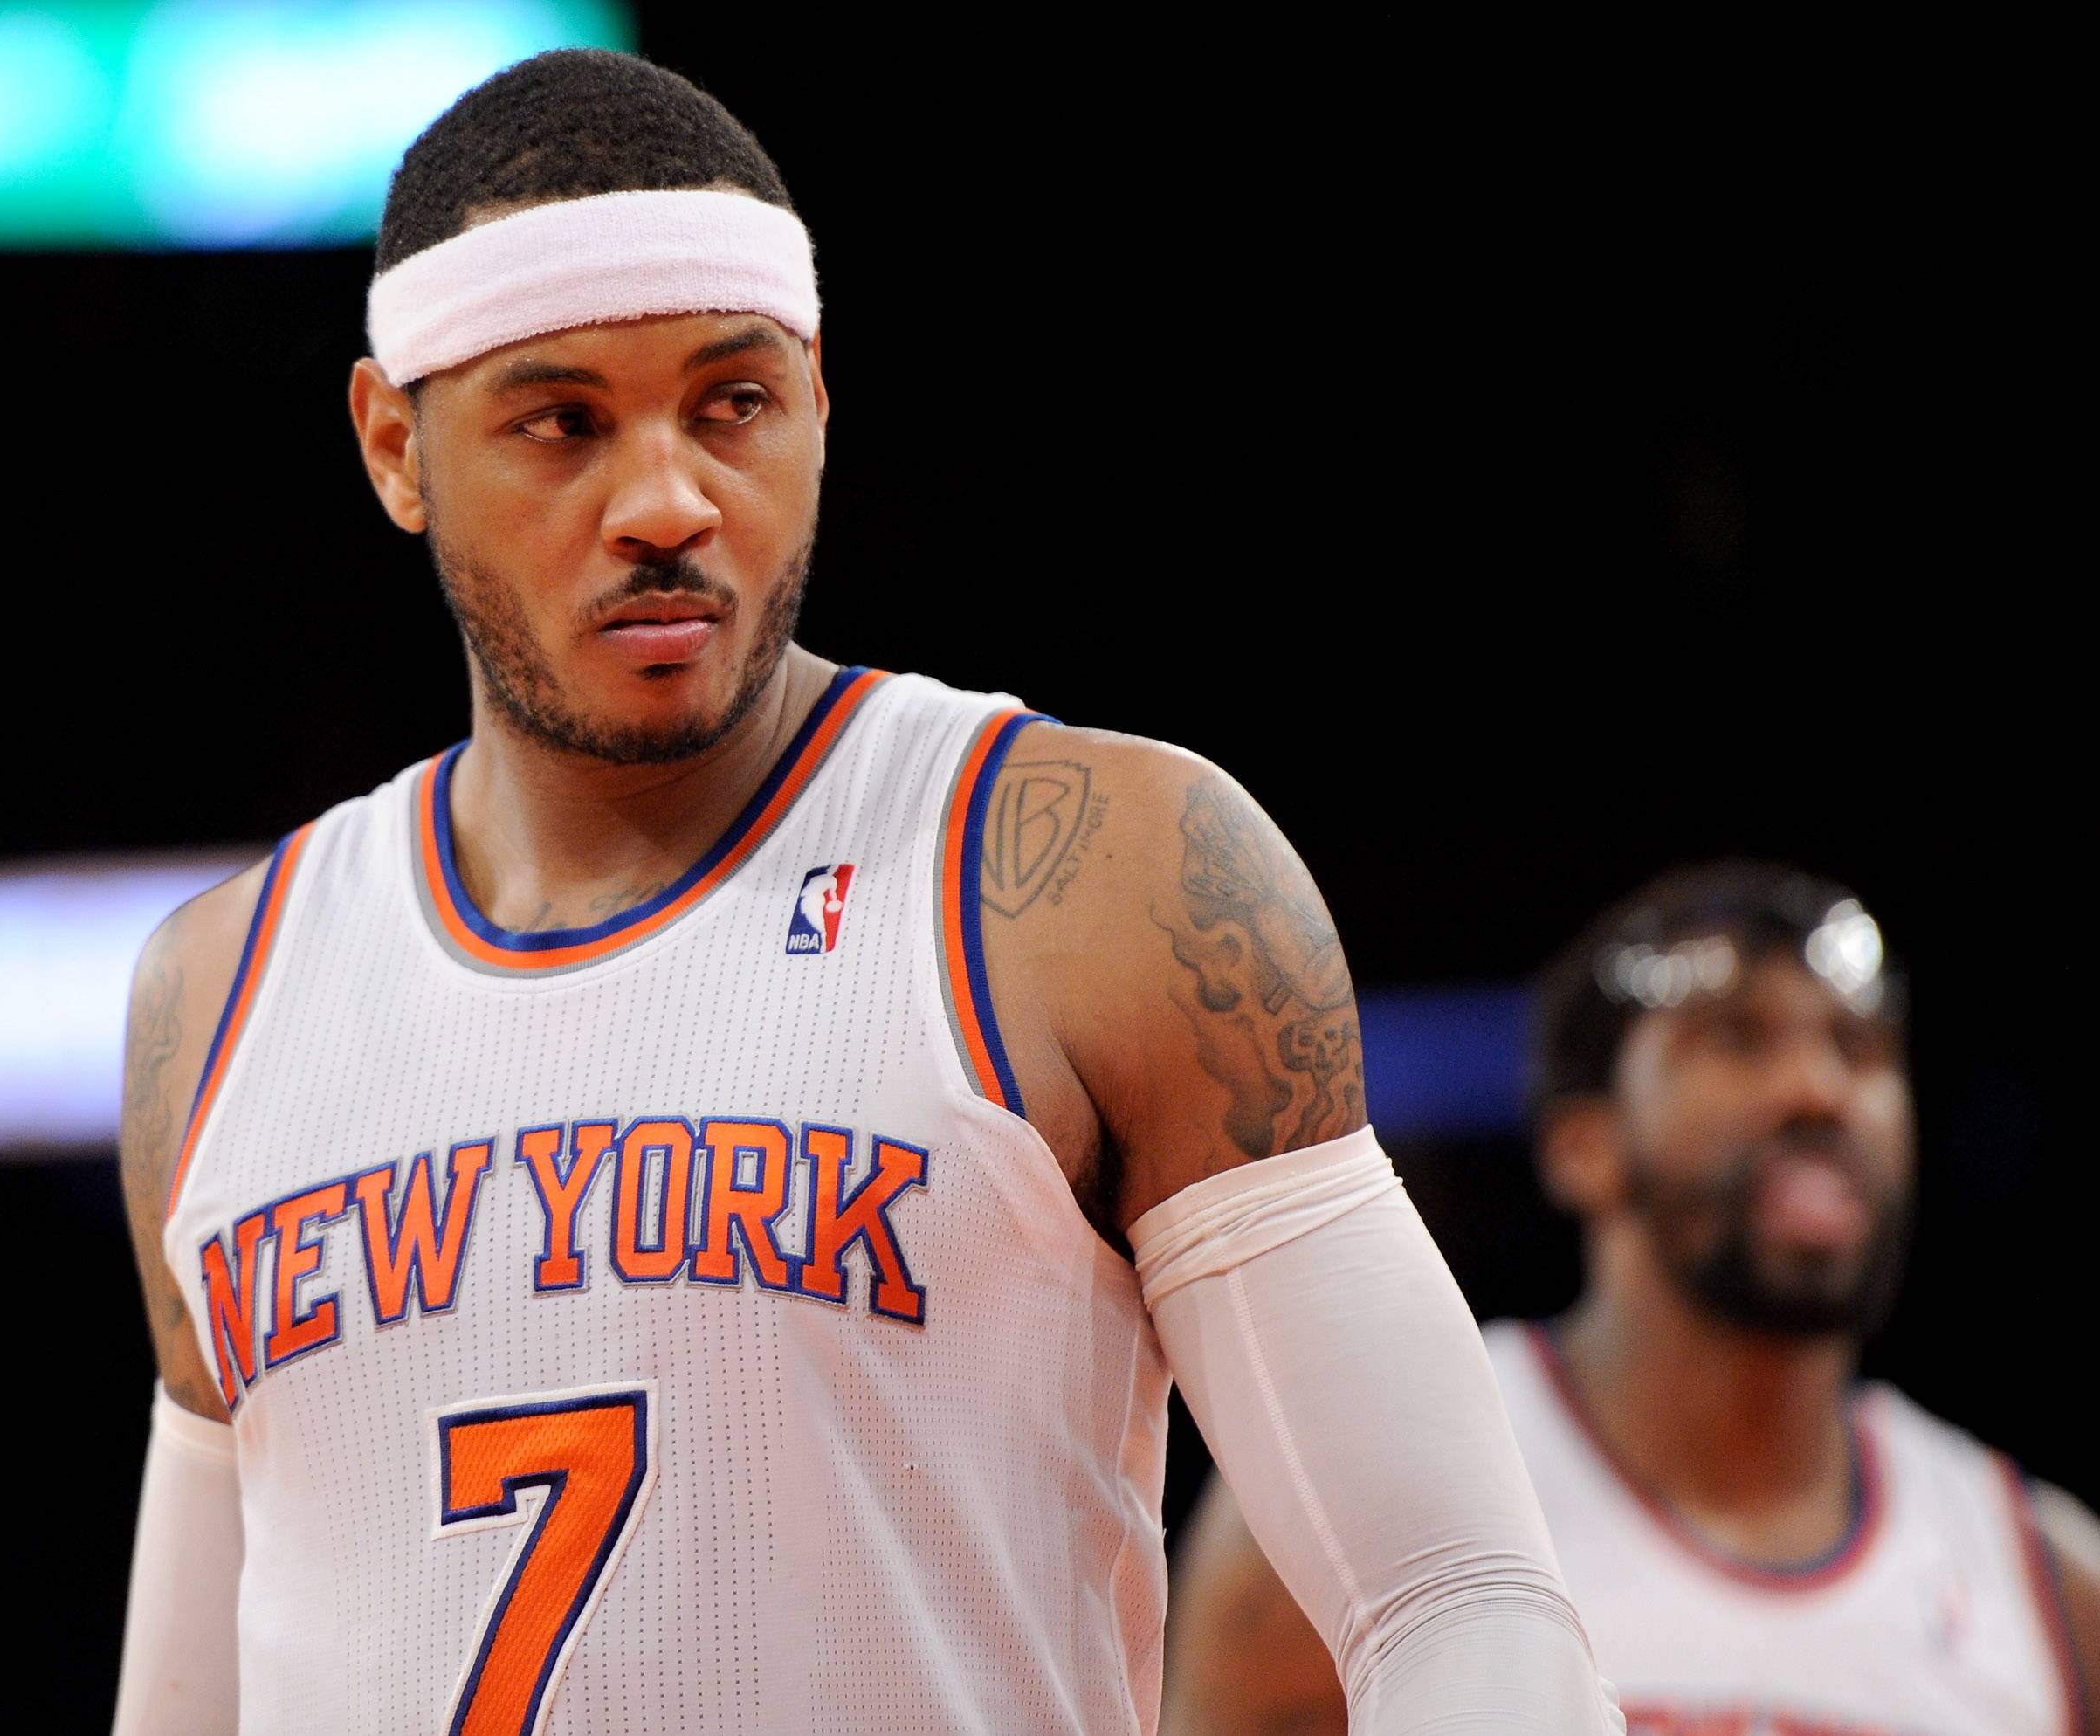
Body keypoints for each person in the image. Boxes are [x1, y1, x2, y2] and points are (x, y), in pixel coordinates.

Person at [110, 47, 1614, 1735]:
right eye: (563, 422)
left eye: (731, 402)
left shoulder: (1085, 874)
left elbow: (1455, 1595)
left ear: (819, 399)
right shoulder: (218, 993)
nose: (670, 500)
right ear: (396, 446)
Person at [1164, 861, 2100, 1735]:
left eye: (1857, 1048)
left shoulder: (2051, 1578)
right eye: (1735, 1037)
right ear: (1585, 1144)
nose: (1819, 1089)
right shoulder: (1361, 1493)